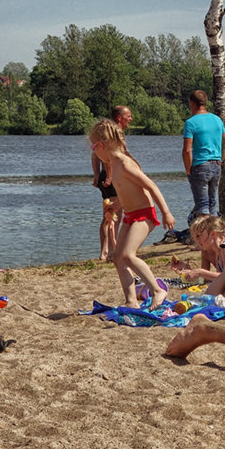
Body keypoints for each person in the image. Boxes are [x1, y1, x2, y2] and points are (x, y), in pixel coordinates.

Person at [92, 118, 176, 308]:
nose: (94, 152)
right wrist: (114, 208)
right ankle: (131, 300)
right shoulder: (113, 166)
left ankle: (157, 290)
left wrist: (166, 212)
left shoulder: (126, 164)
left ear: (103, 145)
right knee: (117, 257)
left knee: (129, 255)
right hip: (130, 215)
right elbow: (125, 193)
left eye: (94, 147)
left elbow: (151, 186)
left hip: (145, 214)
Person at [182, 90, 225, 226]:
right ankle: (216, 237)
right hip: (216, 165)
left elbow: (187, 150)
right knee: (212, 204)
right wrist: (220, 160)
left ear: (192, 103)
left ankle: (202, 241)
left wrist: (188, 170)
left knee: (202, 206)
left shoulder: (190, 123)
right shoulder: (217, 119)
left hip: (200, 165)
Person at [92, 105, 133, 262]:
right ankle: (106, 252)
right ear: (119, 118)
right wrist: (107, 176)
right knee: (110, 213)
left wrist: (97, 175)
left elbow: (97, 155)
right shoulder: (112, 132)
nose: (131, 119)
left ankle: (110, 250)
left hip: (113, 177)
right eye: (128, 116)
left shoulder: (116, 132)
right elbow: (101, 156)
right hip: (111, 178)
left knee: (115, 213)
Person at [170, 215, 225, 283]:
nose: (196, 241)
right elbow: (209, 278)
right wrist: (188, 270)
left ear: (213, 234)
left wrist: (200, 272)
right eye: (195, 237)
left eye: (198, 236)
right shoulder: (216, 251)